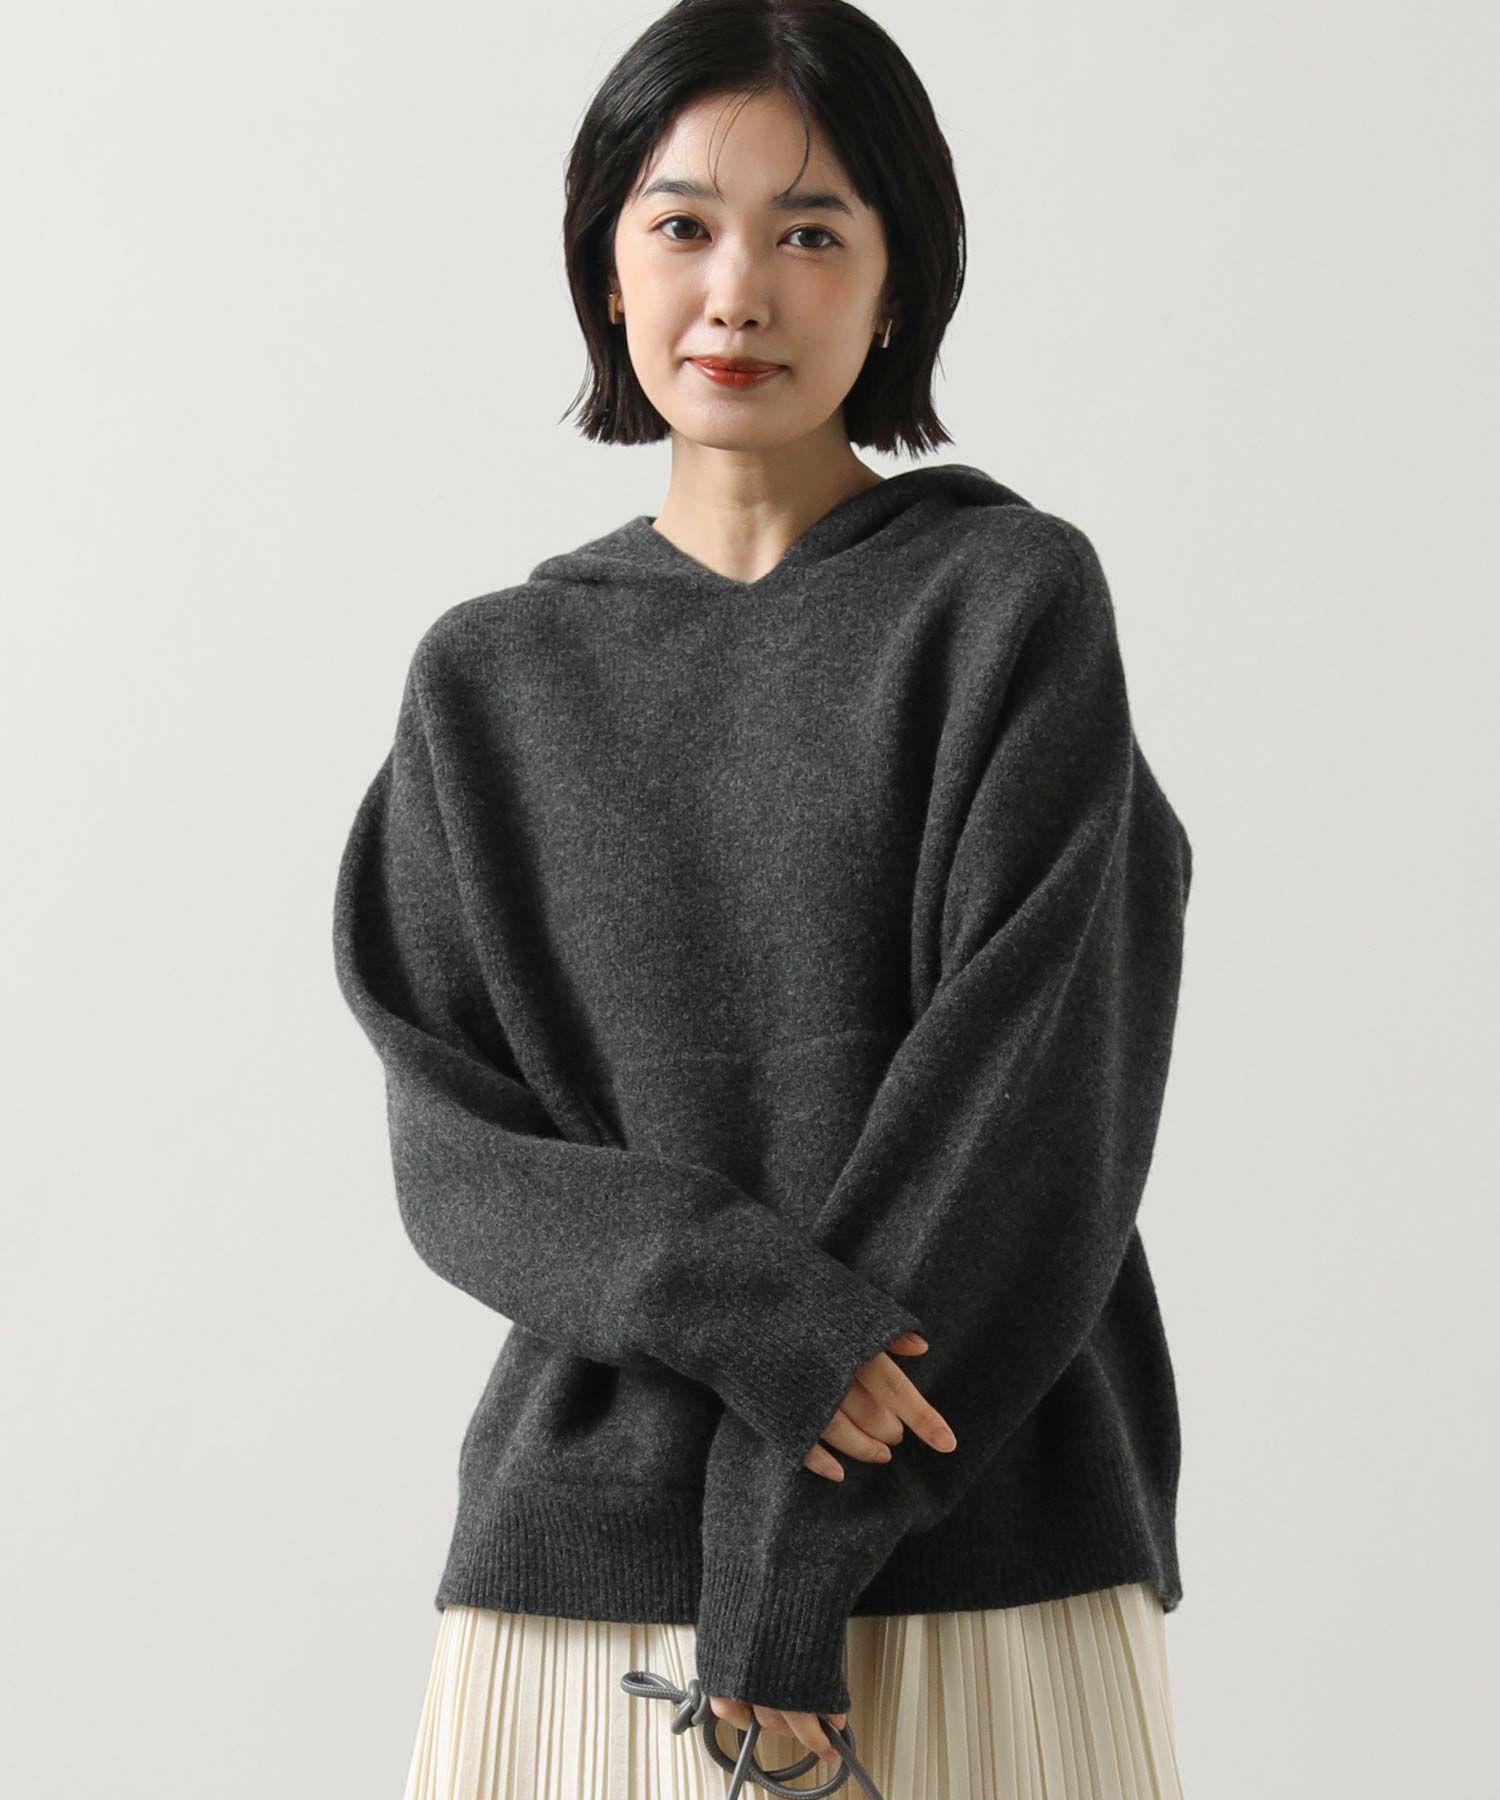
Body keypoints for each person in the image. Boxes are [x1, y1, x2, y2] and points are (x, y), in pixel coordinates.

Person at [332, 2, 1195, 1794]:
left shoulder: (1007, 608)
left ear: (897, 286)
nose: (738, 293)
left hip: (972, 1553)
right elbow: (457, 1157)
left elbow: (1029, 1122)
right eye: (683, 225)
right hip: (586, 1587)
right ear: (606, 267)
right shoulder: (488, 680)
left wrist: (783, 1570)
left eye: (810, 232)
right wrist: (757, 1317)